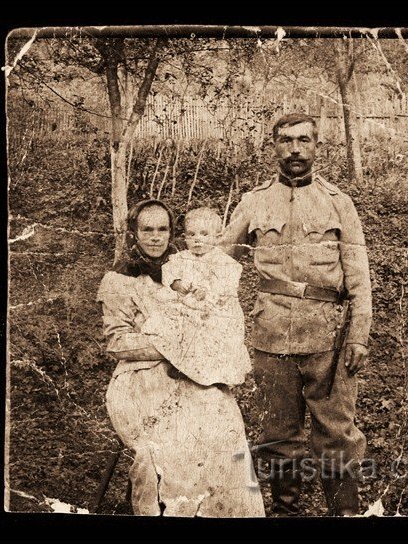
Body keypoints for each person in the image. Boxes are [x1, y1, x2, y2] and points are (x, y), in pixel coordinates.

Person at [219, 113, 372, 516]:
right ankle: (288, 512)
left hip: (329, 340)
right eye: (286, 141)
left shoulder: (339, 203)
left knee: (336, 432)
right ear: (274, 147)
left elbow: (359, 276)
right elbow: (219, 262)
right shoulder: (254, 201)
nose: (295, 150)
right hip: (271, 337)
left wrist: (358, 335)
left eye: (304, 140)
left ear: (316, 146)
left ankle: (346, 513)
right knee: (277, 434)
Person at [97, 199, 265, 517]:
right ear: (134, 232)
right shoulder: (119, 279)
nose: (156, 237)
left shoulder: (188, 267)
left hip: (192, 375)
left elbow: (216, 318)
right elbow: (116, 343)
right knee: (164, 445)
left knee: (224, 429)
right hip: (140, 380)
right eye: (147, 229)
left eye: (163, 229)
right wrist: (172, 347)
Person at [141, 206, 251, 386]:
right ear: (185, 238)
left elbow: (228, 283)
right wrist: (176, 283)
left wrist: (209, 292)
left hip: (212, 307)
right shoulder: (181, 258)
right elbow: (168, 272)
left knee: (210, 330)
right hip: (187, 303)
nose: (197, 239)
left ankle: (210, 371)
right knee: (174, 321)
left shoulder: (223, 261)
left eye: (204, 234)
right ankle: (180, 363)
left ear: (217, 237)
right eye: (191, 235)